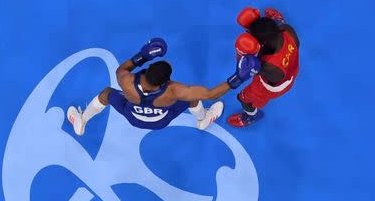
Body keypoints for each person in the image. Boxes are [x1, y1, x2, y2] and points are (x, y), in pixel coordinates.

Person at [67, 37, 261, 134]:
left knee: (107, 93)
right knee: (193, 98)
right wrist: (238, 78)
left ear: (146, 72)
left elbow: (123, 68)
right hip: (161, 121)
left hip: (133, 116)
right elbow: (210, 94)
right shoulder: (173, 91)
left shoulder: (126, 81)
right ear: (166, 82)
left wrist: (142, 56)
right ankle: (203, 120)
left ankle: (82, 120)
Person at [228, 8, 300, 127]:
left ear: (263, 44)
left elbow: (243, 72)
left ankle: (251, 116)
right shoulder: (288, 30)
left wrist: (241, 53)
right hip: (291, 68)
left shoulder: (269, 66)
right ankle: (276, 21)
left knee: (243, 99)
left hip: (268, 87)